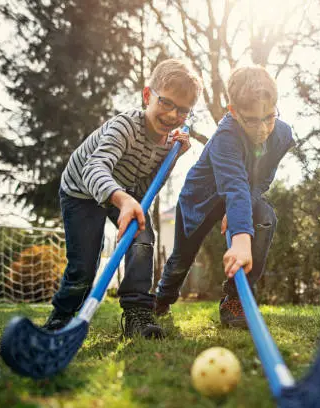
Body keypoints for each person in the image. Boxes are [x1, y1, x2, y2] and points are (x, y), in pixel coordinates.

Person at [42, 59, 202, 339]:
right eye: (166, 103)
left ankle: (137, 313)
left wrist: (173, 157)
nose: (173, 114)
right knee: (84, 265)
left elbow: (148, 185)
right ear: (147, 95)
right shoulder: (125, 127)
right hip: (81, 191)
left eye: (183, 110)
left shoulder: (168, 143)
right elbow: (95, 168)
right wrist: (123, 200)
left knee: (141, 238)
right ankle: (62, 318)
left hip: (125, 191)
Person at [154, 65, 295, 328]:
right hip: (201, 199)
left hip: (242, 195)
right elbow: (233, 184)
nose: (263, 128)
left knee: (265, 218)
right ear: (233, 112)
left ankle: (235, 299)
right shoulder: (225, 138)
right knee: (182, 257)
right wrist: (241, 238)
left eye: (269, 117)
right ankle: (162, 299)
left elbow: (261, 179)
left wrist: (241, 210)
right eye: (252, 120)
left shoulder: (283, 135)